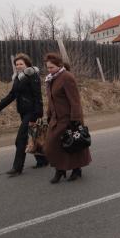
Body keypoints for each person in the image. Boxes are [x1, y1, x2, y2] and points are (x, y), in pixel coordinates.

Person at [0, 53, 48, 176]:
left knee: (21, 139)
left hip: (32, 112)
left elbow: (38, 96)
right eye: (16, 64)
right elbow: (12, 95)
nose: (18, 66)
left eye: (21, 64)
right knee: (35, 137)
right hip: (23, 112)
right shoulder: (18, 78)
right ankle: (43, 160)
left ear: (27, 64)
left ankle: (17, 168)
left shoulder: (32, 76)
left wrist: (38, 113)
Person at [43, 53, 91, 183]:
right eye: (47, 67)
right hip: (55, 119)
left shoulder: (67, 77)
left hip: (68, 118)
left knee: (72, 144)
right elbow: (51, 100)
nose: (49, 70)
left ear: (59, 65)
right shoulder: (50, 79)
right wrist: (49, 114)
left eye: (51, 67)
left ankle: (75, 170)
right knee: (51, 146)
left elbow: (75, 100)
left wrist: (75, 119)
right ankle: (61, 170)